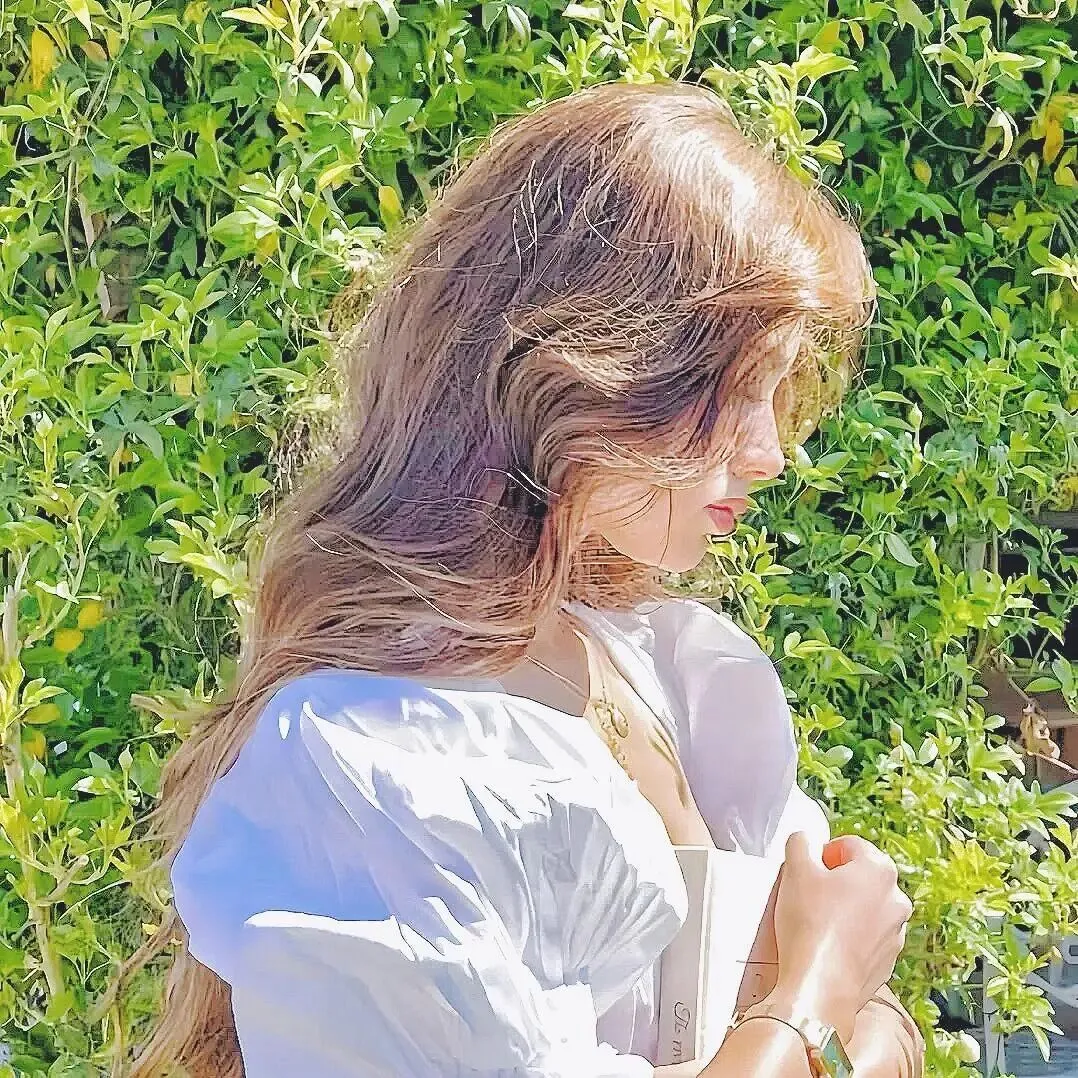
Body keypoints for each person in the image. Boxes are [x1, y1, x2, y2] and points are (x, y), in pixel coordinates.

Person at [129, 80, 924, 1078]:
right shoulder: (365, 762)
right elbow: (837, 986)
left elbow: (882, 1022)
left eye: (777, 391)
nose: (770, 451)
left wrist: (832, 1009)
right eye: (732, 390)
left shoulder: (646, 663)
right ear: (586, 370)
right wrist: (812, 1001)